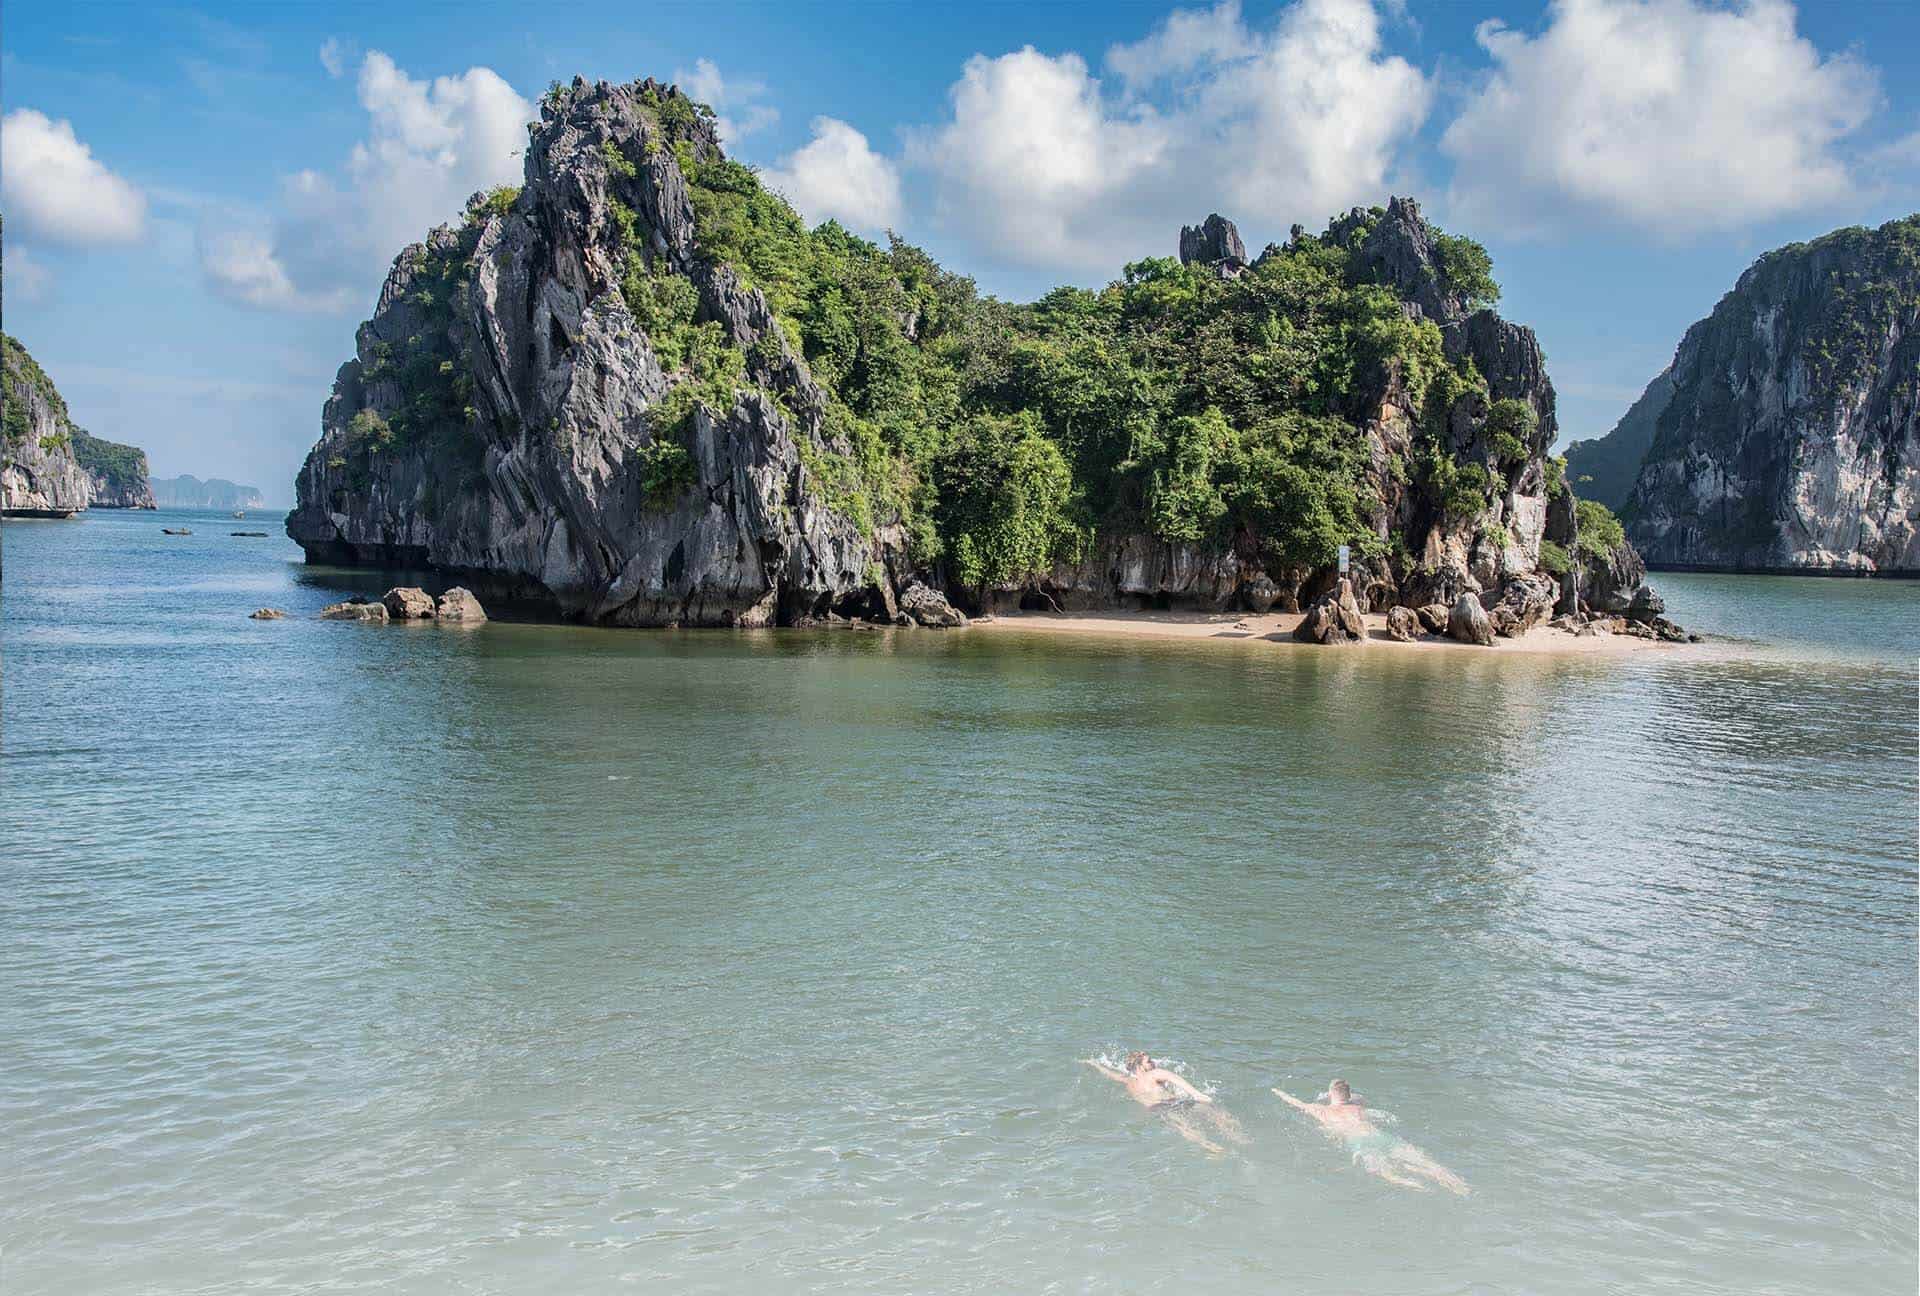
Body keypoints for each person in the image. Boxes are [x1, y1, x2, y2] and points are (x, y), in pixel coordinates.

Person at [1273, 1078, 1469, 1194]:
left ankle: (1416, 1185)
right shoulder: (1358, 1106)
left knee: (1385, 1172)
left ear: (1330, 1095)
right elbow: (1356, 1097)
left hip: (1359, 1141)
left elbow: (1295, 1102)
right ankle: (1457, 1183)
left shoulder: (1322, 1111)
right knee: (1424, 1161)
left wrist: (1278, 1092)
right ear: (1348, 1095)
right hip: (1380, 1135)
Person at [1084, 1052, 1246, 1153]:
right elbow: (1174, 1078)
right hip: (1174, 1102)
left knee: (1184, 1128)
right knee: (1216, 1114)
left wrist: (1094, 1064)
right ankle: (1239, 1138)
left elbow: (1110, 1073)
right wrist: (1198, 1094)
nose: (1153, 1063)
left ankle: (1210, 1147)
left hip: (1156, 1110)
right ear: (1140, 1066)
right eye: (1149, 1061)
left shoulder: (1128, 1081)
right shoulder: (1154, 1073)